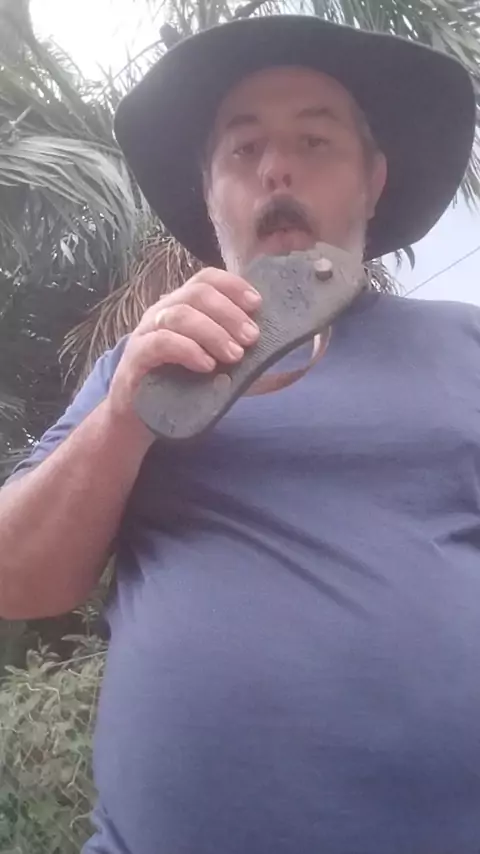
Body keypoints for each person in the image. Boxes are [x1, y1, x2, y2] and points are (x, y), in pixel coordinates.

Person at [0, 14, 479, 854]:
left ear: (372, 182)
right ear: (209, 196)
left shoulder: (465, 347)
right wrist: (125, 418)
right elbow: (17, 581)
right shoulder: (136, 371)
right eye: (242, 149)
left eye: (315, 142)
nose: (276, 168)